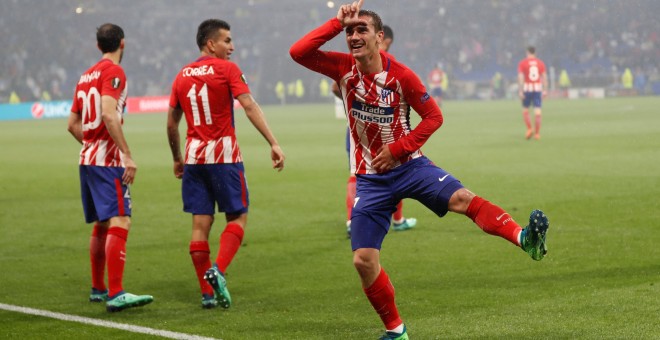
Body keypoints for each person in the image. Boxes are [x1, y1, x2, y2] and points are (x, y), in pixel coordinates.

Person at [290, 2, 550, 338]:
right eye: (350, 31)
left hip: (410, 167)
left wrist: (397, 149)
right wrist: (336, 21)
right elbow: (298, 52)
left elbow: (434, 117)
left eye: (361, 29)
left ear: (378, 37)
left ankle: (524, 238)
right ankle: (396, 330)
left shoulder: (401, 75)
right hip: (370, 180)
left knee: (461, 198)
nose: (353, 35)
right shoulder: (341, 68)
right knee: (363, 260)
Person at [166, 19, 285, 309]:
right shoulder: (227, 69)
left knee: (199, 224)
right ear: (211, 43)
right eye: (227, 41)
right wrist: (273, 141)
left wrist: (177, 158)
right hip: (224, 157)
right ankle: (217, 271)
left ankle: (206, 294)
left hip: (194, 159)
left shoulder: (181, 75)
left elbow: (171, 123)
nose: (232, 47)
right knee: (238, 217)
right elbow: (248, 105)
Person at [67, 23, 153, 313]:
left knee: (102, 223)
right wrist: (126, 154)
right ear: (123, 43)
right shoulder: (113, 72)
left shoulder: (84, 76)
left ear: (98, 45)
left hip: (88, 159)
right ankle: (116, 293)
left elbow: (72, 124)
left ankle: (98, 288)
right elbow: (107, 113)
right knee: (120, 220)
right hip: (107, 162)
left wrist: (90, 144)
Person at [331, 24, 416, 238]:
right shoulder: (383, 61)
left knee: (357, 173)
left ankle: (353, 220)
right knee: (395, 170)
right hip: (384, 128)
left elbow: (335, 88)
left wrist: (357, 104)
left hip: (356, 127)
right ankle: (396, 219)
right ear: (383, 39)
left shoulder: (355, 61)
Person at [517, 46, 548, 140]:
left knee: (525, 110)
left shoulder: (523, 63)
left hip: (527, 89)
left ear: (527, 52)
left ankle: (530, 129)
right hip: (537, 89)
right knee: (537, 111)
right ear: (535, 53)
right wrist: (545, 90)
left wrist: (521, 90)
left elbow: (521, 77)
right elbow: (544, 77)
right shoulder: (540, 63)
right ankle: (537, 134)